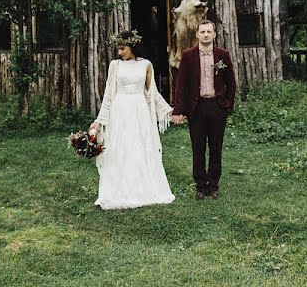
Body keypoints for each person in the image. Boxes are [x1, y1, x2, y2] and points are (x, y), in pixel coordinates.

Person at [88, 29, 179, 210]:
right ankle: (119, 188)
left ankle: (142, 187)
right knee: (121, 148)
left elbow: (152, 93)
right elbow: (108, 95)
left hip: (139, 111)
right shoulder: (115, 65)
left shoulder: (146, 64)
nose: (119, 52)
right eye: (118, 49)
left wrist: (169, 112)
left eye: (122, 48)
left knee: (140, 146)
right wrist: (99, 121)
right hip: (120, 110)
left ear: (133, 47)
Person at [171, 19, 237, 200]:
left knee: (216, 147)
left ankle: (213, 185)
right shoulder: (188, 55)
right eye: (203, 32)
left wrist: (227, 105)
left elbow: (231, 83)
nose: (206, 35)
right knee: (198, 147)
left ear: (214, 34)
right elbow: (181, 84)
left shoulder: (223, 55)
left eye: (209, 32)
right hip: (197, 107)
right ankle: (201, 185)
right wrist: (179, 109)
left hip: (217, 106)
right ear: (197, 35)